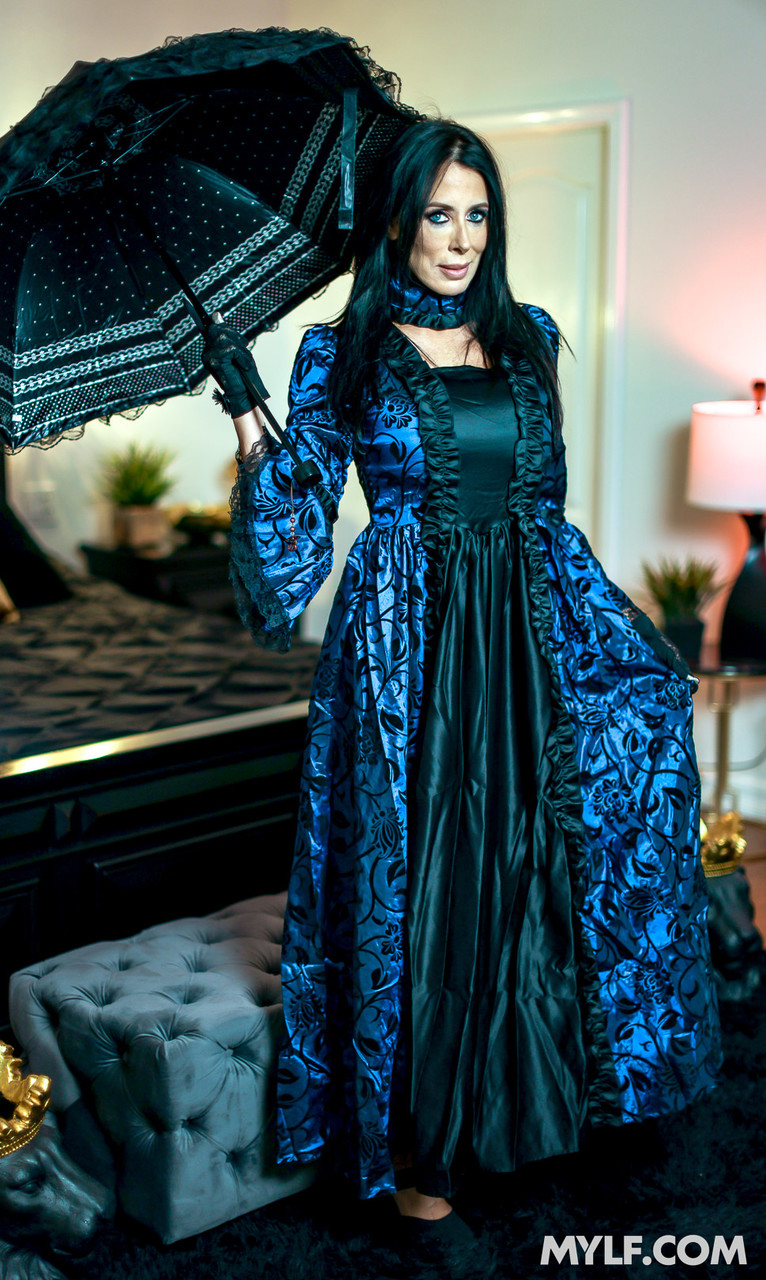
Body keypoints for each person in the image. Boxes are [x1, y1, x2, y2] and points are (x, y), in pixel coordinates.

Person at [203, 119, 723, 1241]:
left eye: (477, 214)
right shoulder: (340, 353)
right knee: (431, 879)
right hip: (410, 644)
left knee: (536, 864)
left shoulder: (529, 335)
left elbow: (547, 506)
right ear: (396, 220)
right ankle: (422, 1144)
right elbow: (292, 539)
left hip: (532, 630)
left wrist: (618, 641)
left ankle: (538, 1102)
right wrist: (251, 425)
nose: (460, 239)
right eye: (438, 214)